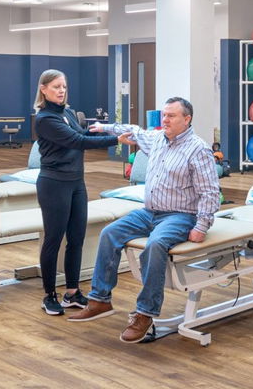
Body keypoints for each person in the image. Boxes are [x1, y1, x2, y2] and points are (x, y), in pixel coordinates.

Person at [66, 96, 220, 343]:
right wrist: (104, 127)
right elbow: (132, 130)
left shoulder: (198, 149)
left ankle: (145, 313)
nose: (165, 120)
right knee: (110, 233)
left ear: (187, 119)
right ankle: (100, 300)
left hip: (180, 215)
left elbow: (210, 192)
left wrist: (202, 226)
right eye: (164, 115)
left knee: (155, 244)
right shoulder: (157, 138)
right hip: (149, 212)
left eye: (171, 116)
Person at [31, 69, 118, 317]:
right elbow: (77, 142)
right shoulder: (45, 119)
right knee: (53, 239)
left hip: (76, 183)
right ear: (44, 89)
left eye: (64, 86)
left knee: (76, 238)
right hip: (54, 184)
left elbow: (81, 135)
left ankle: (72, 292)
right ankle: (49, 295)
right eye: (56, 87)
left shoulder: (67, 112)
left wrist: (107, 130)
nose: (61, 91)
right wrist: (118, 140)